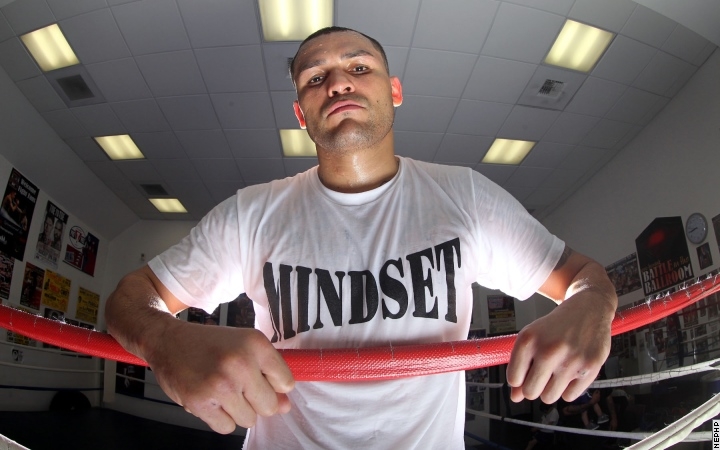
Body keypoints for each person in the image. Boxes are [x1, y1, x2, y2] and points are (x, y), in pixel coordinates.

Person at [105, 26, 617, 449]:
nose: (338, 84)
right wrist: (166, 341)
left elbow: (584, 278)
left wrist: (593, 304)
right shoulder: (250, 214)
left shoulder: (465, 195)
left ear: (394, 91)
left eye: (358, 67)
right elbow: (129, 299)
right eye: (316, 77)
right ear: (301, 114)